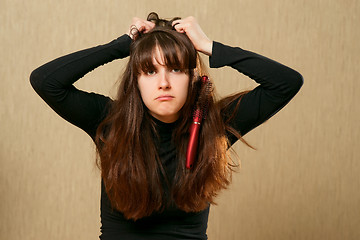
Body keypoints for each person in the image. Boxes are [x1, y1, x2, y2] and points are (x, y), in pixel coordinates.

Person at [30, 12, 303, 240]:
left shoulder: (214, 124)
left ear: (193, 77)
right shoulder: (111, 122)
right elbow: (45, 81)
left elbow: (286, 82)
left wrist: (209, 46)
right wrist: (123, 45)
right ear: (135, 81)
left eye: (175, 69)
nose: (163, 82)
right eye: (149, 71)